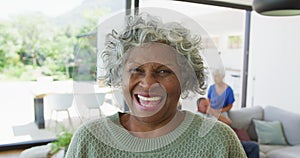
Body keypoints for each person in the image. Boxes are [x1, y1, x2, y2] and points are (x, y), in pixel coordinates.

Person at [65, 12, 246, 157]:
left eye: (163, 71)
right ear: (120, 77)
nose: (148, 83)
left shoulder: (219, 141)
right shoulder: (89, 141)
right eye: (136, 69)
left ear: (185, 78)